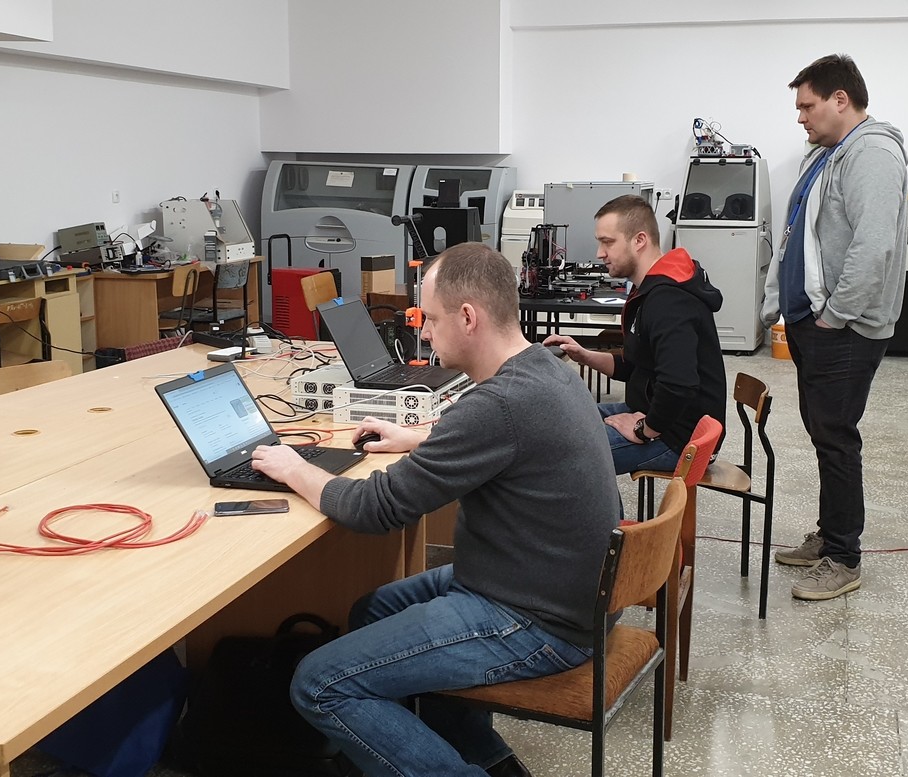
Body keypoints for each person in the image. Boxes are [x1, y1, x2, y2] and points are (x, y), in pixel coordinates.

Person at [251, 242, 620, 777]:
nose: (424, 333)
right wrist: (420, 438)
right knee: (372, 609)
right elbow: (499, 440)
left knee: (318, 683)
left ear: (468, 317)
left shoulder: (498, 406)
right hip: (557, 588)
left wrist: (295, 468)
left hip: (538, 621)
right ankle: (482, 757)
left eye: (432, 319)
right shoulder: (544, 368)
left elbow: (376, 508)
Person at [761, 53, 907, 601]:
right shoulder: (828, 155)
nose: (800, 116)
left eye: (807, 105)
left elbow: (874, 246)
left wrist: (835, 315)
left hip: (842, 329)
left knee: (837, 437)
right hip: (814, 322)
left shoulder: (871, 154)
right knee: (825, 434)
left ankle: (845, 557)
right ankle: (830, 535)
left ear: (840, 99)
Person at [544, 194, 727, 476]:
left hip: (678, 438)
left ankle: (601, 508)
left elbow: (679, 384)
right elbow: (635, 365)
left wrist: (644, 430)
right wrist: (585, 355)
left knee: (552, 457)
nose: (599, 253)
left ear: (639, 240)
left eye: (607, 242)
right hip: (652, 414)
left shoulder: (669, 301)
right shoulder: (649, 291)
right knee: (556, 424)